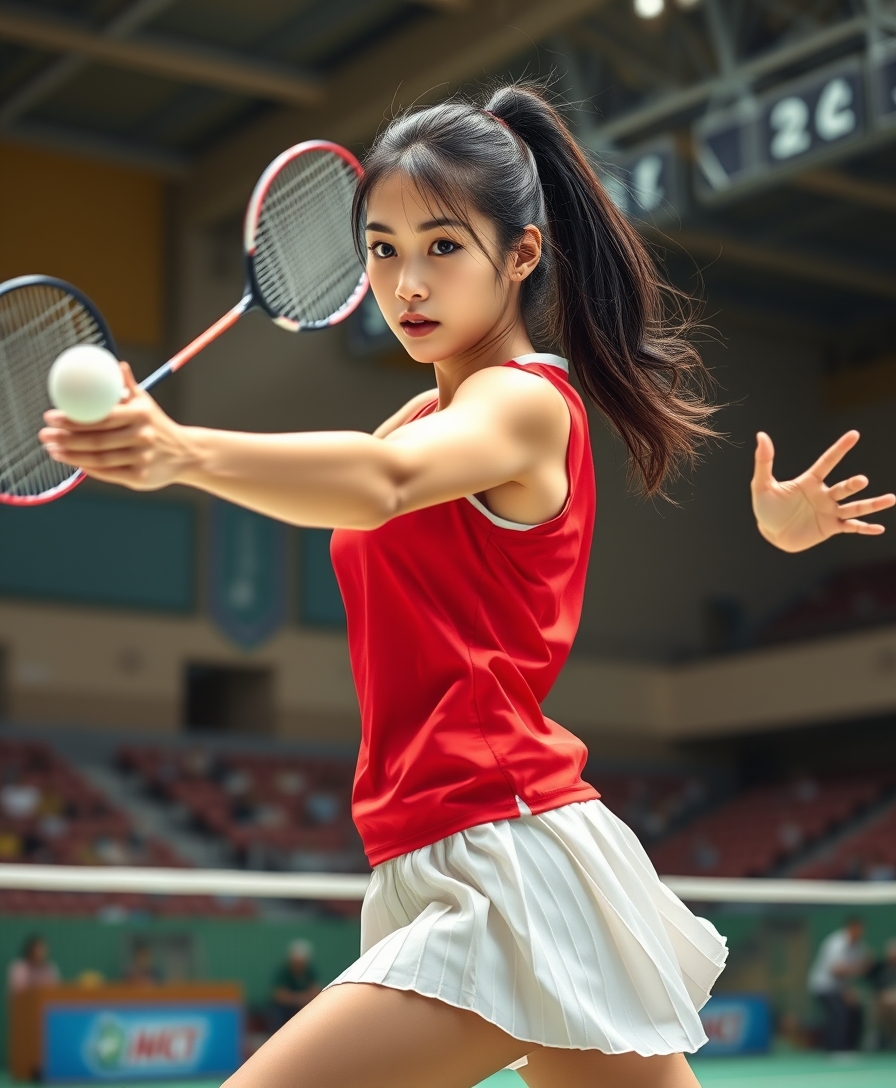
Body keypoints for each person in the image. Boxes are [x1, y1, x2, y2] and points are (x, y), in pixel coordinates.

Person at [39, 83, 894, 1088]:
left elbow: (378, 482)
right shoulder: (417, 417)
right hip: (437, 844)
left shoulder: (526, 406)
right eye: (382, 248)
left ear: (520, 253)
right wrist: (185, 456)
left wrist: (182, 449)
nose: (406, 281)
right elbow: (358, 478)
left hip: (500, 854)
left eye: (441, 246)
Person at [808, 917, 870, 1052]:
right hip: (823, 986)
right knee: (839, 1014)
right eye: (856, 929)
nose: (859, 932)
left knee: (855, 1011)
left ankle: (850, 1048)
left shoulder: (859, 946)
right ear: (849, 928)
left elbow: (850, 973)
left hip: (840, 988)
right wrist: (857, 969)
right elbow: (836, 970)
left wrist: (849, 990)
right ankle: (835, 1049)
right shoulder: (835, 943)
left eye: (861, 930)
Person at [270, 940, 321, 1029]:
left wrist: (301, 999)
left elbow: (316, 992)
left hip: (304, 1007)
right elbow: (279, 996)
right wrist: (299, 999)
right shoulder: (284, 972)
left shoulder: (310, 972)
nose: (299, 965)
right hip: (285, 1009)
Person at [868, 938, 896, 1047]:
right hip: (882, 1004)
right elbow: (876, 987)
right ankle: (874, 1042)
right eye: (891, 954)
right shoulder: (881, 968)